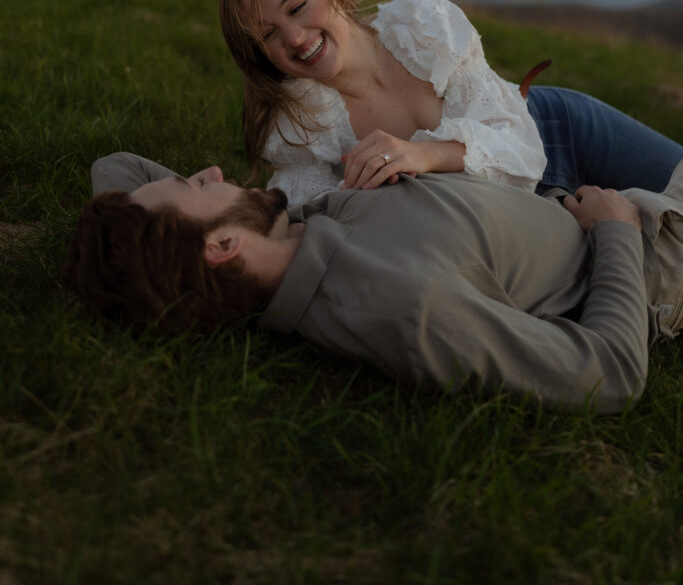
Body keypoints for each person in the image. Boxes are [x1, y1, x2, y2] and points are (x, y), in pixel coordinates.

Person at [65, 151, 683, 413]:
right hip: (660, 251)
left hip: (597, 203)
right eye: (199, 186)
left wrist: (123, 250)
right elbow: (611, 374)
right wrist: (617, 230)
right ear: (224, 246)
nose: (213, 170)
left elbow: (114, 167)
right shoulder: (412, 308)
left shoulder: (283, 237)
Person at [218, 0, 683, 206]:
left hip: (559, 127)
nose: (295, 37)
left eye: (298, 7)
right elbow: (312, 218)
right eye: (269, 36)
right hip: (527, 215)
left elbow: (519, 147)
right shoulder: (300, 125)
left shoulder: (423, 27)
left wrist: (424, 156)